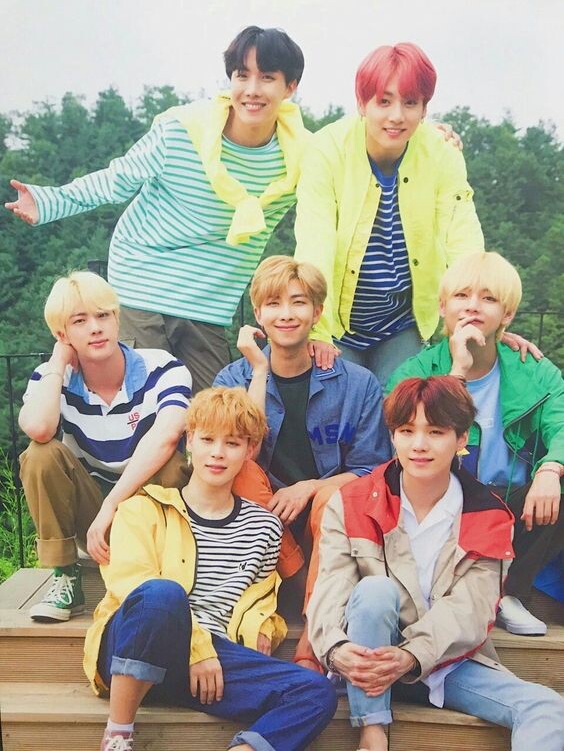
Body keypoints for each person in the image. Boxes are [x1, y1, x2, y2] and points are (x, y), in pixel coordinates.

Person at [5, 26, 307, 393]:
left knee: (214, 410)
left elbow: (322, 219)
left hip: (208, 300)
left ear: (289, 87)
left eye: (267, 78)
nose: (252, 89)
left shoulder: (300, 159)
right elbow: (116, 180)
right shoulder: (182, 132)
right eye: (242, 76)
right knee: (146, 403)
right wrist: (48, 201)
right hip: (142, 283)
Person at [307, 376, 564, 751]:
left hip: (445, 662)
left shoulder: (488, 515)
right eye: (406, 431)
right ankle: (372, 731)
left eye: (436, 432)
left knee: (546, 708)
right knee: (375, 591)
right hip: (364, 662)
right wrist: (335, 649)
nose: (419, 445)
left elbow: (470, 609)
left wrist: (411, 656)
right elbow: (331, 588)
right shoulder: (352, 501)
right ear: (393, 435)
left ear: (461, 439)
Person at [84, 386, 337, 751]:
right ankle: (118, 735)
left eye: (232, 443)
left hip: (212, 667)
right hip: (136, 649)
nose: (218, 453)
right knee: (162, 593)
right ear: (190, 441)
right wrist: (197, 648)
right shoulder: (142, 509)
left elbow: (261, 600)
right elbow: (131, 588)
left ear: (250, 450)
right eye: (207, 440)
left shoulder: (264, 527)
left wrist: (264, 627)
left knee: (316, 692)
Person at [294, 42, 537, 386]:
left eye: (410, 103)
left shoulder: (441, 152)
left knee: (403, 404)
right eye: (384, 101)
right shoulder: (326, 149)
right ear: (362, 103)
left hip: (401, 323)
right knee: (339, 403)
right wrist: (315, 329)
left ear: (424, 109)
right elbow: (314, 239)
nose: (397, 116)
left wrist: (486, 322)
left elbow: (462, 237)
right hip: (335, 322)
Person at [214, 256, 391, 661]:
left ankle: (313, 634)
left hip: (331, 522)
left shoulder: (358, 384)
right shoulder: (233, 379)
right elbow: (235, 454)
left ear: (317, 311)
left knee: (331, 497)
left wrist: (311, 487)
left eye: (298, 302)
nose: (286, 314)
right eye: (274, 304)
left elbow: (372, 468)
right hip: (264, 518)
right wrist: (259, 371)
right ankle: (295, 590)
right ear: (258, 313)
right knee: (239, 474)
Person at [387, 251, 564, 635]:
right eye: (461, 296)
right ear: (442, 307)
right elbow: (410, 443)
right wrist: (458, 372)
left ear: (507, 314)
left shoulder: (533, 370)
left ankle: (509, 594)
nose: (472, 306)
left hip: (512, 503)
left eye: (488, 298)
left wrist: (550, 469)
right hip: (442, 500)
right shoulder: (415, 371)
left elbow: (560, 422)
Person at [18, 271, 191, 622]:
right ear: (62, 335)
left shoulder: (161, 367)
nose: (96, 328)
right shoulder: (50, 377)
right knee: (40, 454)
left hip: (149, 512)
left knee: (173, 463)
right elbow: (39, 428)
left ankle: (169, 566)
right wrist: (57, 363)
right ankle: (65, 576)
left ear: (116, 318)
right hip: (91, 516)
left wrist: (113, 505)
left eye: (103, 315)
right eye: (79, 321)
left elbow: (168, 434)